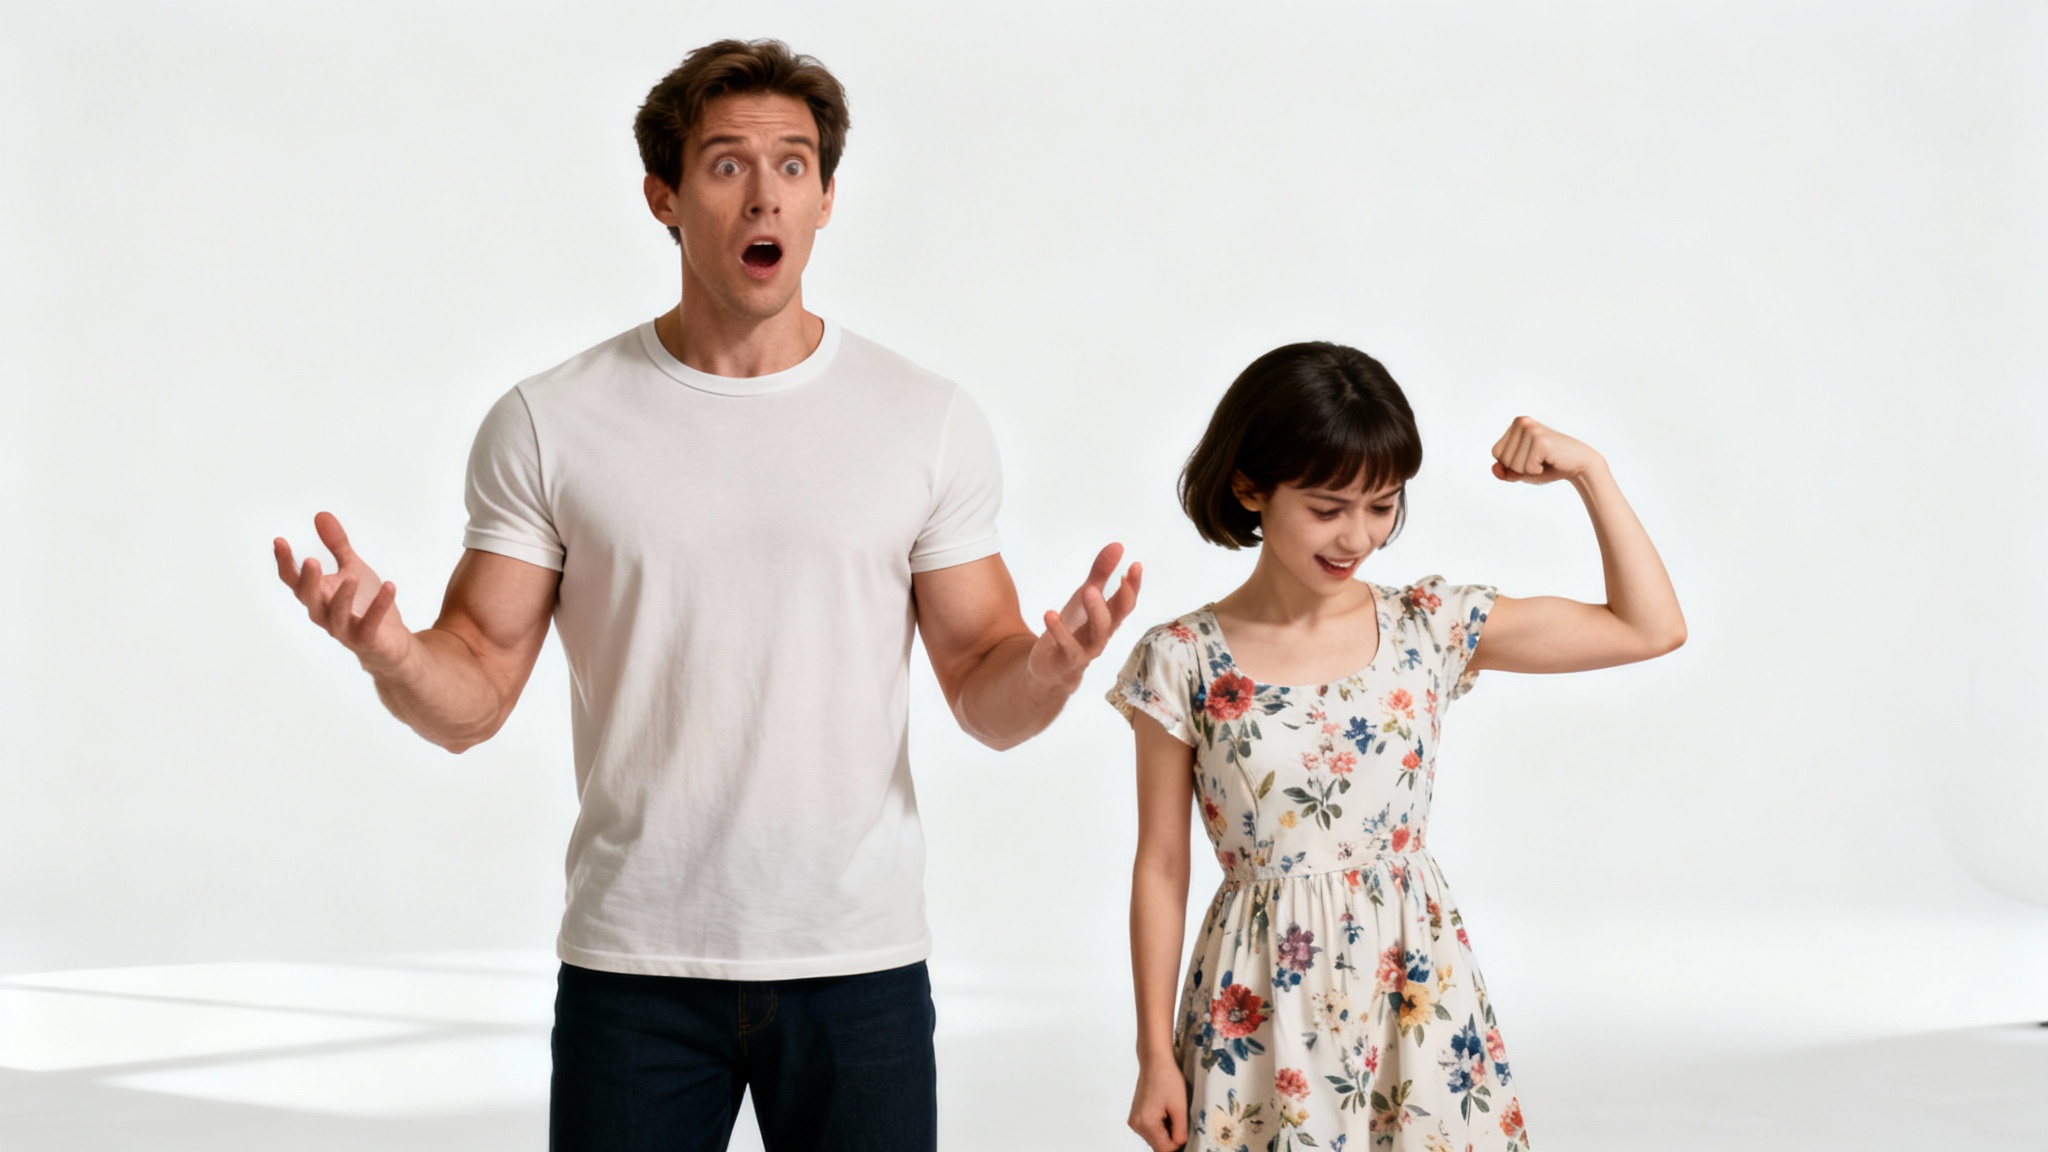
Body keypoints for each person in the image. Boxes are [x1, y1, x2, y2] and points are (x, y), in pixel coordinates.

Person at [272, 38, 1140, 1152]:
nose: (763, 190)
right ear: (664, 198)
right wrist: (392, 654)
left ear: (826, 198)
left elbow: (984, 688)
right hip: (634, 970)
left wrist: (1050, 667)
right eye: (725, 164)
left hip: (856, 965)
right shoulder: (551, 420)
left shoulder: (921, 418)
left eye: (792, 163)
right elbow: (476, 688)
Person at [1110, 343, 1684, 1152]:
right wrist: (1151, 1056)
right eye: (1327, 507)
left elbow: (1649, 627)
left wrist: (1590, 470)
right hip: (1257, 1001)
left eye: (1382, 505)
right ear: (1250, 488)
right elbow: (1161, 866)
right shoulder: (1181, 657)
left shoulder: (1429, 623)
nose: (1359, 537)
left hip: (1415, 994)